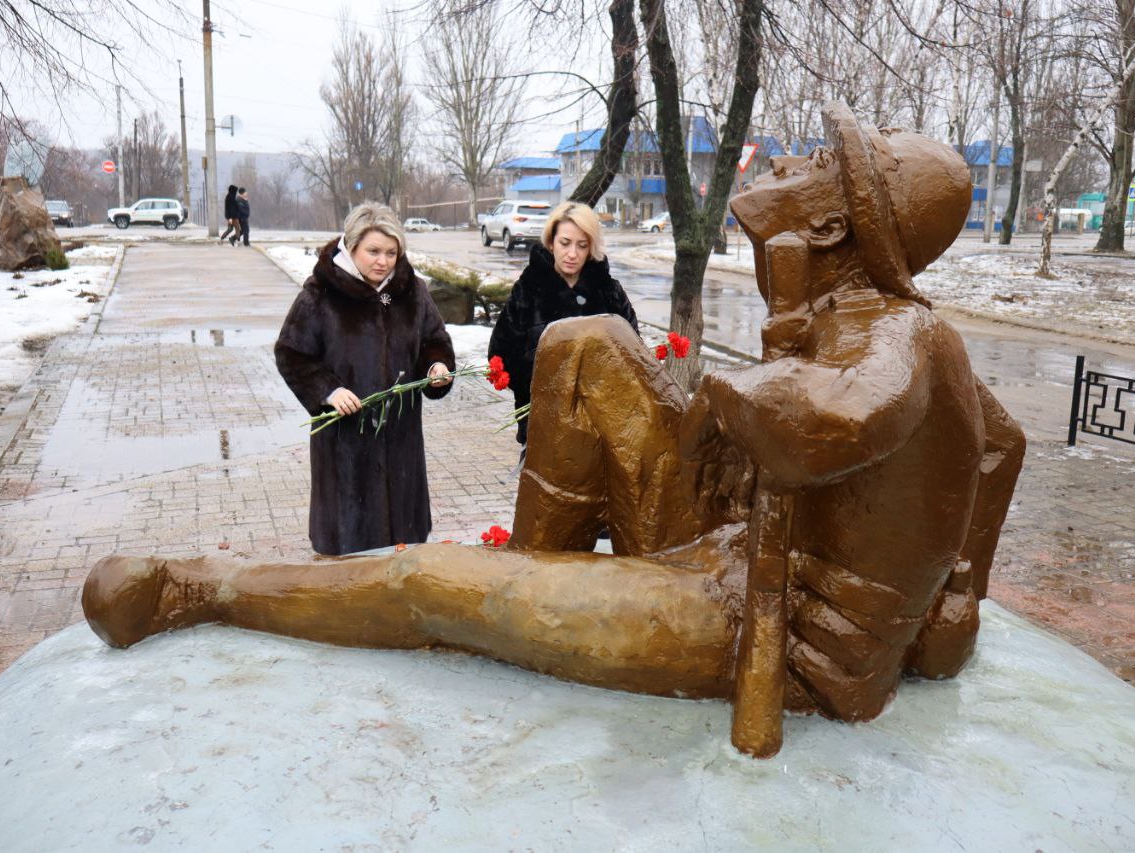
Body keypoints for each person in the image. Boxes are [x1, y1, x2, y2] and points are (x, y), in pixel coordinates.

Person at [81, 103, 1024, 757]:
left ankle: (202, 591)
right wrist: (955, 598)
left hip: (761, 629)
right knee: (585, 341)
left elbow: (820, 427)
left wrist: (750, 384)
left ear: (830, 229)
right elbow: (1000, 443)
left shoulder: (904, 332)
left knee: (424, 582)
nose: (784, 164)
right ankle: (536, 577)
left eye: (819, 168)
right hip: (728, 549)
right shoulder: (848, 317)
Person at [273, 201, 456, 555]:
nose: (383, 261)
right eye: (373, 251)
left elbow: (435, 341)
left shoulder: (411, 291)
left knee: (404, 555)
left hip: (401, 443)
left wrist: (436, 367)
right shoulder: (321, 293)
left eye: (391, 252)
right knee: (349, 560)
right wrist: (328, 390)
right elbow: (291, 353)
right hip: (345, 446)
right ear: (352, 246)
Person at [487, 201, 638, 445]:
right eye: (565, 243)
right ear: (551, 241)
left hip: (600, 430)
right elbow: (500, 353)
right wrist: (542, 383)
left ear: (591, 248)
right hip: (543, 427)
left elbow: (632, 353)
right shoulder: (528, 290)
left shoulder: (608, 291)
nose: (572, 254)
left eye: (582, 245)